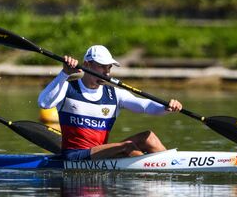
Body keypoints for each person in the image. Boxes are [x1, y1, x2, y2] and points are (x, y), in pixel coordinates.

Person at [38, 45, 182, 161]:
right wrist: (65, 73)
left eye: (109, 67)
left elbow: (146, 106)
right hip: (75, 156)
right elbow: (44, 103)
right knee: (127, 146)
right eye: (102, 66)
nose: (106, 72)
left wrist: (166, 107)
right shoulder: (68, 88)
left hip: (101, 154)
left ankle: (173, 166)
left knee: (149, 137)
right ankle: (153, 170)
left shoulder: (115, 94)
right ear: (87, 65)